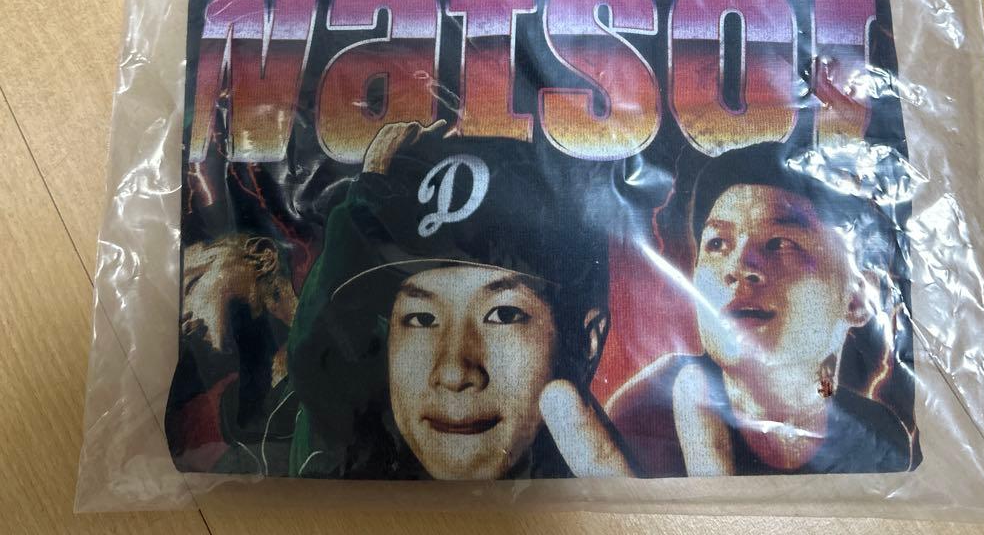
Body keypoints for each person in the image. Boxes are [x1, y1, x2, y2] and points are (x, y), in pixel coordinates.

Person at [287, 121, 616, 479]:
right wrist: (366, 200)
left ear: (587, 341)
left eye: (504, 314)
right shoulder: (353, 459)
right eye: (422, 318)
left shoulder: (626, 476)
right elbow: (320, 357)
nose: (455, 373)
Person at [602, 142, 914, 476]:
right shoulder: (642, 423)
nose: (738, 266)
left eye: (780, 243)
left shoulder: (878, 438)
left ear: (857, 298)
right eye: (717, 244)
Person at [169, 231, 299, 475]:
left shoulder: (340, 315)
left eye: (193, 284)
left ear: (262, 257)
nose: (183, 317)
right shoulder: (236, 413)